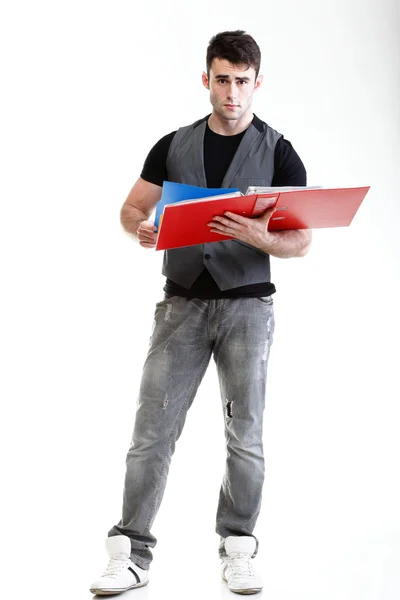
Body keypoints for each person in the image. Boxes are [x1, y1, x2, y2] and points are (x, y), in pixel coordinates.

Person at [90, 30, 312, 596]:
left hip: (247, 310)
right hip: (181, 306)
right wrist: (141, 228)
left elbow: (302, 241)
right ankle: (130, 552)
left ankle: (237, 548)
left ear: (257, 83)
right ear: (206, 79)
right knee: (152, 432)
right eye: (222, 80)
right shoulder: (173, 144)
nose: (232, 93)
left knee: (247, 434)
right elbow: (132, 207)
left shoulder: (280, 150)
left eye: (242, 82)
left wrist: (263, 235)